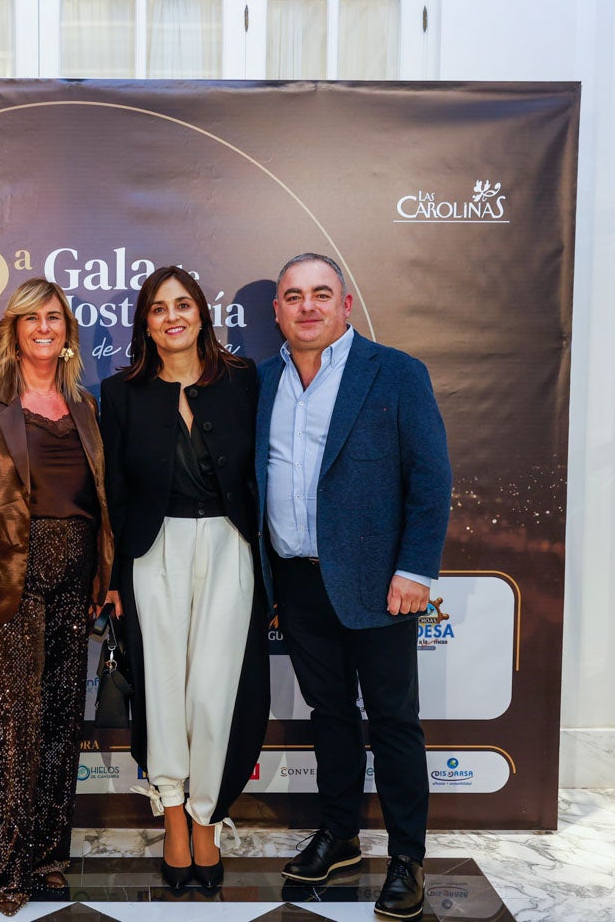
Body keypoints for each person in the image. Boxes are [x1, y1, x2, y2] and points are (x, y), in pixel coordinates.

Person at [256, 253, 450, 920]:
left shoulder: (394, 374)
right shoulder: (260, 383)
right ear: (276, 311)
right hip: (297, 583)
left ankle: (406, 857)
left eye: (320, 294)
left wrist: (415, 570)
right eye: (292, 296)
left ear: (345, 304)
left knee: (393, 721)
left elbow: (429, 480)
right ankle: (339, 834)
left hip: (378, 585)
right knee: (330, 717)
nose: (305, 306)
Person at [0, 277, 114, 916]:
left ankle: (48, 857)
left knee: (62, 724)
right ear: (13, 330)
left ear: (68, 330)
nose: (45, 328)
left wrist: (104, 577)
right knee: (11, 730)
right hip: (9, 584)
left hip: (76, 588)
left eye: (56, 317)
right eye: (31, 318)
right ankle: (8, 868)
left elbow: (99, 502)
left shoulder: (86, 407)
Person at [99, 266, 269, 889]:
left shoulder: (244, 382)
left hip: (230, 547)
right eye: (157, 308)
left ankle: (208, 817)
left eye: (183, 304)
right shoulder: (121, 394)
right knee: (164, 687)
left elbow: (264, 476)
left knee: (215, 689)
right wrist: (115, 574)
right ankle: (173, 814)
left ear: (201, 312)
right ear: (145, 322)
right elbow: (114, 492)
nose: (172, 316)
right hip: (154, 549)